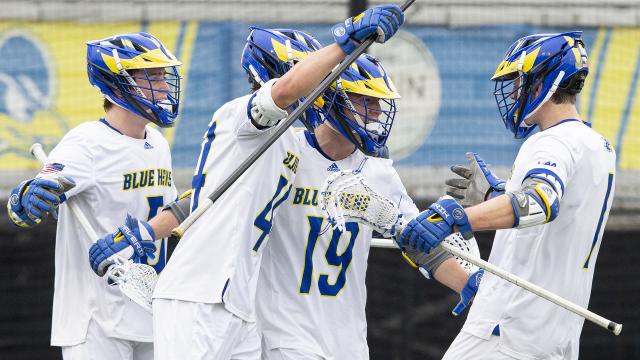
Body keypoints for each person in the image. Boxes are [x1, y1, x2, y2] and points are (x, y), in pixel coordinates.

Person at [89, 6, 405, 359]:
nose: (320, 82)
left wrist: (146, 233)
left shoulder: (291, 140)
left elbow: (199, 198)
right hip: (199, 295)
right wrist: (347, 44)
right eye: (305, 70)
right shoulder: (242, 116)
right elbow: (284, 91)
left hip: (241, 304)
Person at [397, 32, 615, 360]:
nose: (514, 91)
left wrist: (456, 218)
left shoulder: (550, 142)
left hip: (507, 329)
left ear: (543, 81)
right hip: (556, 337)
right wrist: (498, 194)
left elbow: (541, 202)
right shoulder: (598, 146)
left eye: (519, 81)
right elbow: (560, 212)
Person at [256, 48, 484, 359]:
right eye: (366, 99)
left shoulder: (378, 171)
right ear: (331, 96)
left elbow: (417, 241)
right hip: (285, 334)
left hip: (348, 340)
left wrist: (470, 285)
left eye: (379, 101)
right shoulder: (286, 152)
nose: (376, 111)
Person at [7, 32, 182, 359]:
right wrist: (26, 198)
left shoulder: (157, 143)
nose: (162, 85)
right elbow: (36, 195)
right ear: (117, 84)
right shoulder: (85, 142)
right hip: (95, 322)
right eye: (152, 76)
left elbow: (168, 218)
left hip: (147, 312)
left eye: (162, 75)